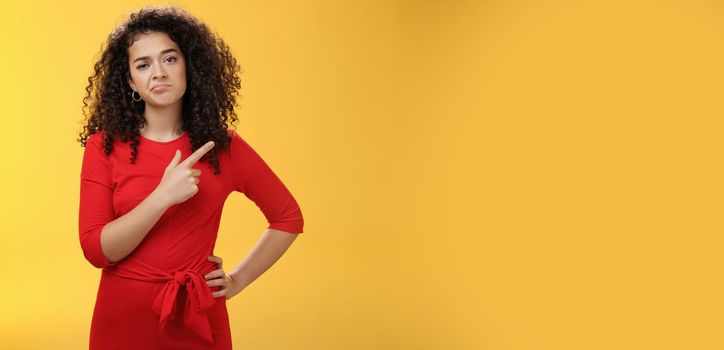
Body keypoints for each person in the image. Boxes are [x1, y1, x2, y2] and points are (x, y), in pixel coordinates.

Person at [77, 5, 304, 349]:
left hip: (197, 313)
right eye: (143, 64)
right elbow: (97, 251)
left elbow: (288, 218)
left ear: (188, 66)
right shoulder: (102, 147)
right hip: (123, 317)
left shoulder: (224, 147)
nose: (158, 73)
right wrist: (162, 197)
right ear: (130, 81)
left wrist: (236, 281)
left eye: (169, 59)